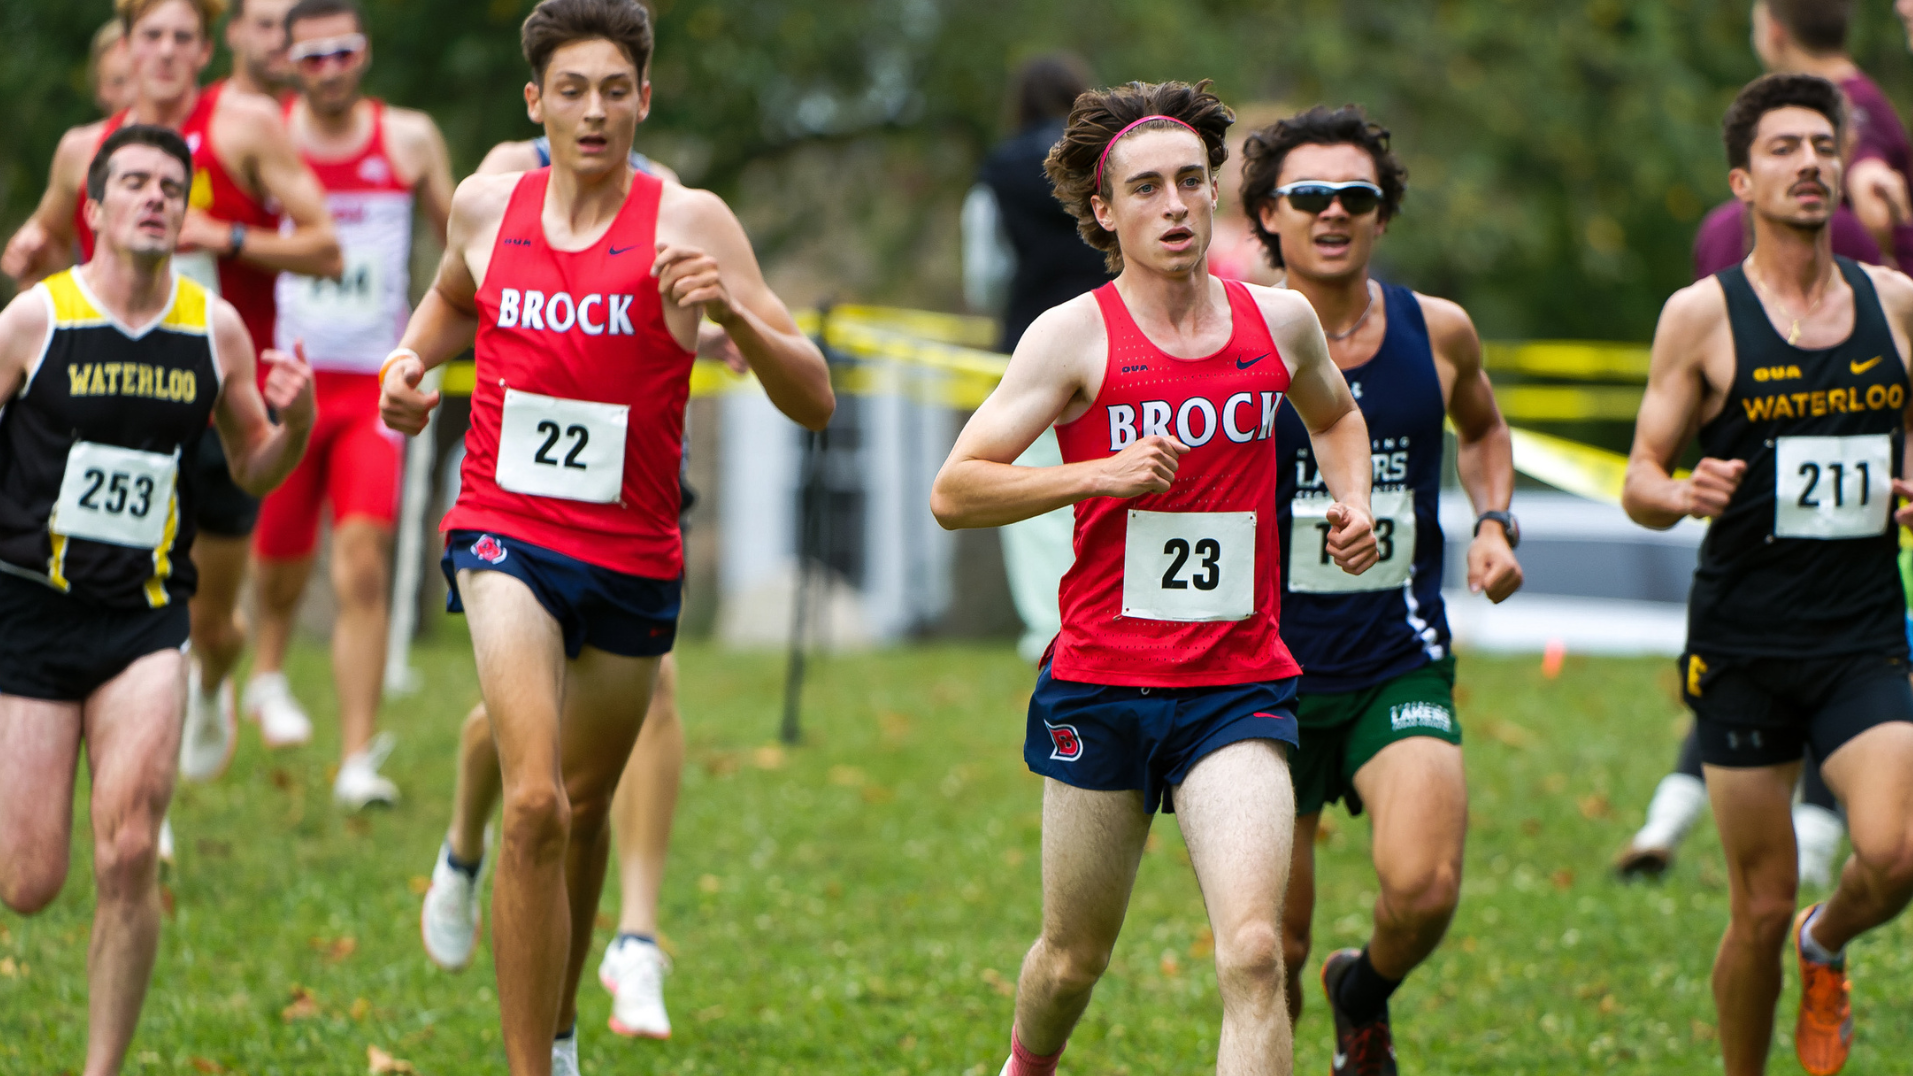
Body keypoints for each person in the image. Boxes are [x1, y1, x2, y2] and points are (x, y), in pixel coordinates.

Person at [377, 1, 834, 1072]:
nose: (593, 110)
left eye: (614, 89)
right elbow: (448, 302)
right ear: (534, 101)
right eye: (570, 90)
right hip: (504, 530)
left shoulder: (690, 221)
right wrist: (407, 364)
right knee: (532, 799)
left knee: (581, 813)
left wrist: (737, 314)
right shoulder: (489, 208)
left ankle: (565, 1020)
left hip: (630, 556)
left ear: (643, 98)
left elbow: (810, 394)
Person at [932, 79, 1379, 1076]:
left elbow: (1336, 416)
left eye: (1190, 180)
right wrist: (1100, 470)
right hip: (1103, 684)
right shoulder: (1070, 335)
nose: (1174, 204)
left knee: (1255, 953)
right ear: (1103, 210)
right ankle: (1025, 1065)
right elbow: (955, 489)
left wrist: (1349, 502)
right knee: (1070, 956)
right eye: (1144, 188)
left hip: (1235, 682)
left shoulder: (1279, 322)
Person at [0, 124, 314, 1076]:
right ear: (91, 208)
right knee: (30, 882)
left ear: (185, 213)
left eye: (171, 188)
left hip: (144, 622)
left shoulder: (211, 328)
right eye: (132, 182)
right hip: (29, 612)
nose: (154, 198)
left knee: (131, 849)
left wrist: (294, 421)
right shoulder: (32, 320)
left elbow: (256, 467)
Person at [1626, 72, 1913, 1076]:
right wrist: (1680, 490)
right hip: (1742, 639)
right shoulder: (1698, 316)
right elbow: (1635, 478)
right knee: (1752, 905)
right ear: (1740, 181)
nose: (1809, 164)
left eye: (1823, 147)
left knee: (1896, 851)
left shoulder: (1895, 305)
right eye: (1784, 148)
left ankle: (1823, 938)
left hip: (1859, 634)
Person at [1233, 104, 1522, 1075]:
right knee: (1275, 945)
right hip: (1255, 675)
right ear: (1266, 216)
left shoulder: (1435, 330)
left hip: (1395, 653)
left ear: (1381, 215)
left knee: (1426, 886)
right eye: (1305, 196)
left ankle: (1362, 994)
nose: (1330, 213)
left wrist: (1492, 522)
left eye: (1353, 196)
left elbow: (1481, 430)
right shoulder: (1225, 335)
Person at [3, 0, 340, 782]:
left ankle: (215, 682)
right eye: (149, 35)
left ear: (205, 48)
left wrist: (219, 235)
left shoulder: (246, 126)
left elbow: (327, 248)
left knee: (213, 619)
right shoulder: (85, 148)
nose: (165, 51)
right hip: (104, 405)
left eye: (182, 36)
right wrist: (31, 245)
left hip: (220, 402)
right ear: (124, 46)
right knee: (125, 602)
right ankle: (137, 789)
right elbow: (52, 234)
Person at [227, 0, 454, 809]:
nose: (328, 70)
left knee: (362, 564)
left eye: (342, 53)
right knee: (278, 562)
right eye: (312, 56)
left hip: (370, 387)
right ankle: (266, 673)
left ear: (364, 54)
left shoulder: (409, 138)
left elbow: (468, 251)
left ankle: (357, 757)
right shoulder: (266, 134)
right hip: (288, 381)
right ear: (291, 59)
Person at [961, 54, 1111, 663]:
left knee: (1037, 495)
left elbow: (984, 275)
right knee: (1120, 479)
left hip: (1032, 348)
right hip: (1120, 340)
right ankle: (1119, 618)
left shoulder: (997, 172)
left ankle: (1052, 635)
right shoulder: (1109, 160)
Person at [222, 0, 297, 100]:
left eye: (288, 26)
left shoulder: (319, 112)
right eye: (265, 25)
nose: (279, 40)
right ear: (233, 31)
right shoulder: (199, 110)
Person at [91, 21, 137, 117]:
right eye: (118, 82)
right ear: (100, 89)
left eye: (139, 80)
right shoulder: (89, 132)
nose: (129, 95)